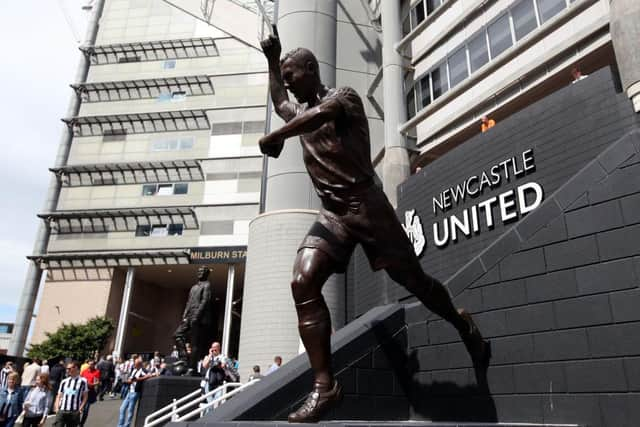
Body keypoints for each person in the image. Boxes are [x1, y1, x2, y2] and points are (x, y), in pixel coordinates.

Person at [259, 29, 488, 422]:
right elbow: (280, 100)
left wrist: (278, 134)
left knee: (416, 283)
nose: (290, 84)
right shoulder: (295, 110)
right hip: (333, 214)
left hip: (368, 208)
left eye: (292, 74)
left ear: (311, 69)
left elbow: (318, 115)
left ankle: (459, 321)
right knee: (302, 281)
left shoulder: (343, 98)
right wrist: (272, 59)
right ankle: (324, 387)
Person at [174, 267, 214, 372]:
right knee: (177, 335)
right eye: (199, 271)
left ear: (206, 274)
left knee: (194, 343)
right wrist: (184, 316)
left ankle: (192, 367)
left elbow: (205, 301)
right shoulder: (193, 287)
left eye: (202, 272)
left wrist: (197, 315)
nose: (199, 273)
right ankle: (184, 357)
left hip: (198, 318)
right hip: (189, 316)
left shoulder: (207, 285)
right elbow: (188, 302)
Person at [117, 357, 156, 427]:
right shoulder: (134, 369)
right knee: (122, 408)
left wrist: (137, 379)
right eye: (134, 364)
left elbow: (149, 375)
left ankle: (127, 425)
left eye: (135, 364)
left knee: (130, 410)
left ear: (139, 364)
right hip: (130, 391)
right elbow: (131, 378)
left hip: (135, 392)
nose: (134, 365)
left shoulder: (143, 370)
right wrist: (129, 380)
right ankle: (120, 425)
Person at [53, 361, 87, 427]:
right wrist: (57, 408)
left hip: (74, 411)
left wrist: (80, 408)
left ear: (76, 368)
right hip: (62, 410)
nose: (67, 370)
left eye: (69, 368)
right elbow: (59, 395)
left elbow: (85, 396)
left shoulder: (83, 381)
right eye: (67, 368)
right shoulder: (64, 381)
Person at [79, 361, 99, 427]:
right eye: (89, 364)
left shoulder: (96, 372)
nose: (90, 365)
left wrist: (92, 384)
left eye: (92, 364)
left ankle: (81, 424)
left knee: (86, 410)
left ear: (94, 365)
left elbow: (97, 381)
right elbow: (79, 378)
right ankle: (77, 422)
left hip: (90, 391)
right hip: (81, 391)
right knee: (78, 408)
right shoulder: (84, 371)